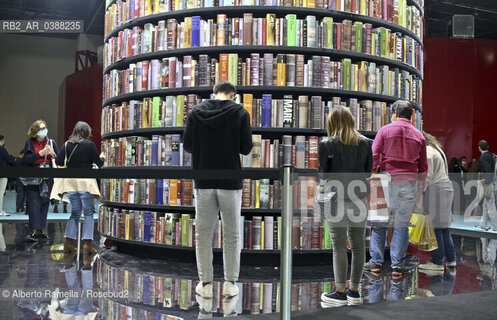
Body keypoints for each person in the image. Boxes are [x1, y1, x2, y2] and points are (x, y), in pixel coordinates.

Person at [183, 81, 252, 299]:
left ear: (213, 94)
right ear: (233, 94)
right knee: (231, 234)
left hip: (203, 180)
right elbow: (246, 147)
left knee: (202, 235)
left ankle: (205, 285)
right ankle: (230, 283)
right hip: (230, 181)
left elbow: (187, 145)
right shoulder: (240, 112)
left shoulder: (195, 112)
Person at [365, 100, 427, 279]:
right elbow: (423, 168)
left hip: (384, 181)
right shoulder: (419, 136)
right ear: (412, 115)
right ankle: (397, 267)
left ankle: (376, 263)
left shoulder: (384, 130)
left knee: (379, 224)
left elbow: (374, 157)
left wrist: (370, 180)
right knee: (402, 226)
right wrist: (419, 191)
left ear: (395, 114)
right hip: (408, 185)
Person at [318, 106, 373, 307]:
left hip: (335, 199)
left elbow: (323, 176)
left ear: (332, 123)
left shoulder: (326, 144)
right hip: (359, 199)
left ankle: (340, 292)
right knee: (359, 246)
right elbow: (368, 173)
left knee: (338, 246)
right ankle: (355, 291)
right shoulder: (366, 143)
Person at [53, 121, 104, 255]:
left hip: (70, 183)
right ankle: (87, 245)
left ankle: (68, 243)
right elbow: (99, 163)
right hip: (86, 183)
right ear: (87, 132)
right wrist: (103, 158)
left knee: (75, 213)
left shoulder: (67, 144)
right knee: (88, 213)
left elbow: (58, 162)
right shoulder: (90, 145)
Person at [418, 132, 457, 271]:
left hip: (436, 190)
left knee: (435, 228)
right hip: (446, 187)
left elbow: (426, 178)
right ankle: (451, 260)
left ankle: (437, 262)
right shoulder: (437, 149)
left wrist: (419, 197)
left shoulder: (427, 152)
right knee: (444, 228)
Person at [22, 120, 58, 241]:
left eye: (45, 128)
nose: (44, 131)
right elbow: (26, 160)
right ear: (35, 131)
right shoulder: (29, 143)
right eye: (41, 129)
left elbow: (58, 160)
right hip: (34, 177)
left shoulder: (51, 142)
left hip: (47, 177)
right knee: (34, 203)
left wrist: (53, 155)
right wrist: (40, 153)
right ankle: (34, 230)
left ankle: (41, 229)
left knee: (44, 202)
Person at [478, 140, 497, 230]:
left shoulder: (483, 157)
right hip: (492, 182)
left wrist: (485, 182)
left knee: (490, 205)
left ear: (479, 148)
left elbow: (488, 170)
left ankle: (495, 226)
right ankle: (483, 224)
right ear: (488, 146)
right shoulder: (492, 155)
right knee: (485, 205)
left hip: (488, 183)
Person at [0, 135, 16, 216]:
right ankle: (0, 210)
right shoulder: (2, 149)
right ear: (1, 141)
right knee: (1, 193)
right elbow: (9, 160)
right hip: (2, 174)